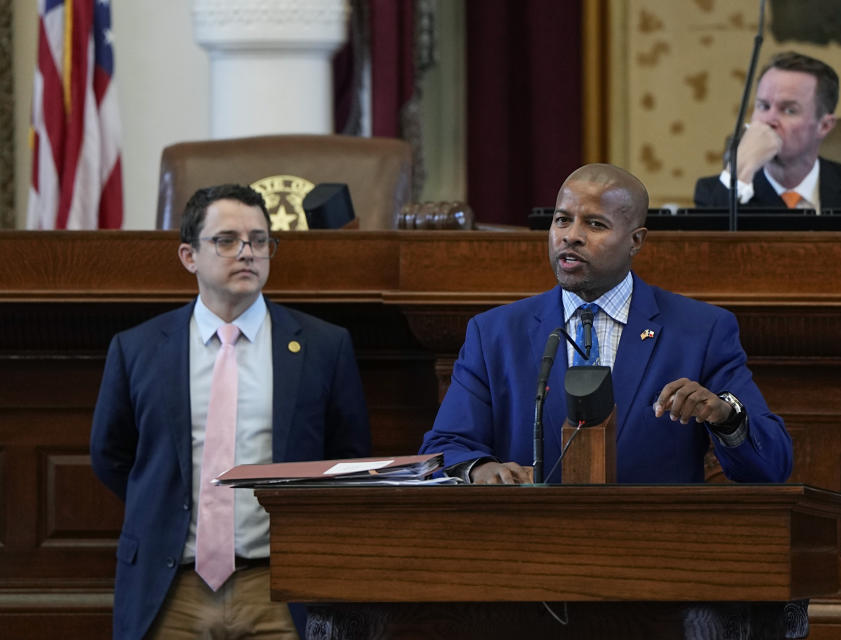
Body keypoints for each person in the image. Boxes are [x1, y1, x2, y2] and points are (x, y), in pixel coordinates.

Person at [90, 184, 371, 639]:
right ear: (189, 256)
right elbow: (112, 455)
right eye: (227, 240)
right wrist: (161, 505)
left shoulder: (324, 345)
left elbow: (347, 456)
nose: (247, 253)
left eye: (259, 241)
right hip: (171, 588)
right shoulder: (137, 348)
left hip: (281, 588)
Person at [420, 163, 792, 485]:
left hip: (652, 547)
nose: (571, 235)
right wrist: (478, 469)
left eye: (595, 224)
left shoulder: (701, 331)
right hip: (528, 546)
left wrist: (727, 417)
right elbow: (445, 449)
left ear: (636, 241)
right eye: (562, 219)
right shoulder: (494, 334)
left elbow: (772, 468)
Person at [694, 51, 841, 212]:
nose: (769, 120)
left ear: (824, 126)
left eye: (789, 110)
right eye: (763, 106)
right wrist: (739, 173)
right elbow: (704, 261)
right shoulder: (714, 193)